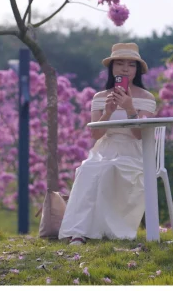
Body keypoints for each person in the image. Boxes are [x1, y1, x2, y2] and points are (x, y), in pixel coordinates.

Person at [58, 42, 157, 243]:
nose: (124, 68)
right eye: (119, 63)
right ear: (111, 68)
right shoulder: (100, 97)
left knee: (110, 169)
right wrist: (108, 112)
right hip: (105, 148)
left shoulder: (146, 98)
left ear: (137, 70)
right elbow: (96, 134)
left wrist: (130, 109)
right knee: (87, 169)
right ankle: (78, 232)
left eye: (130, 65)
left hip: (134, 151)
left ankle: (106, 231)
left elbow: (139, 135)